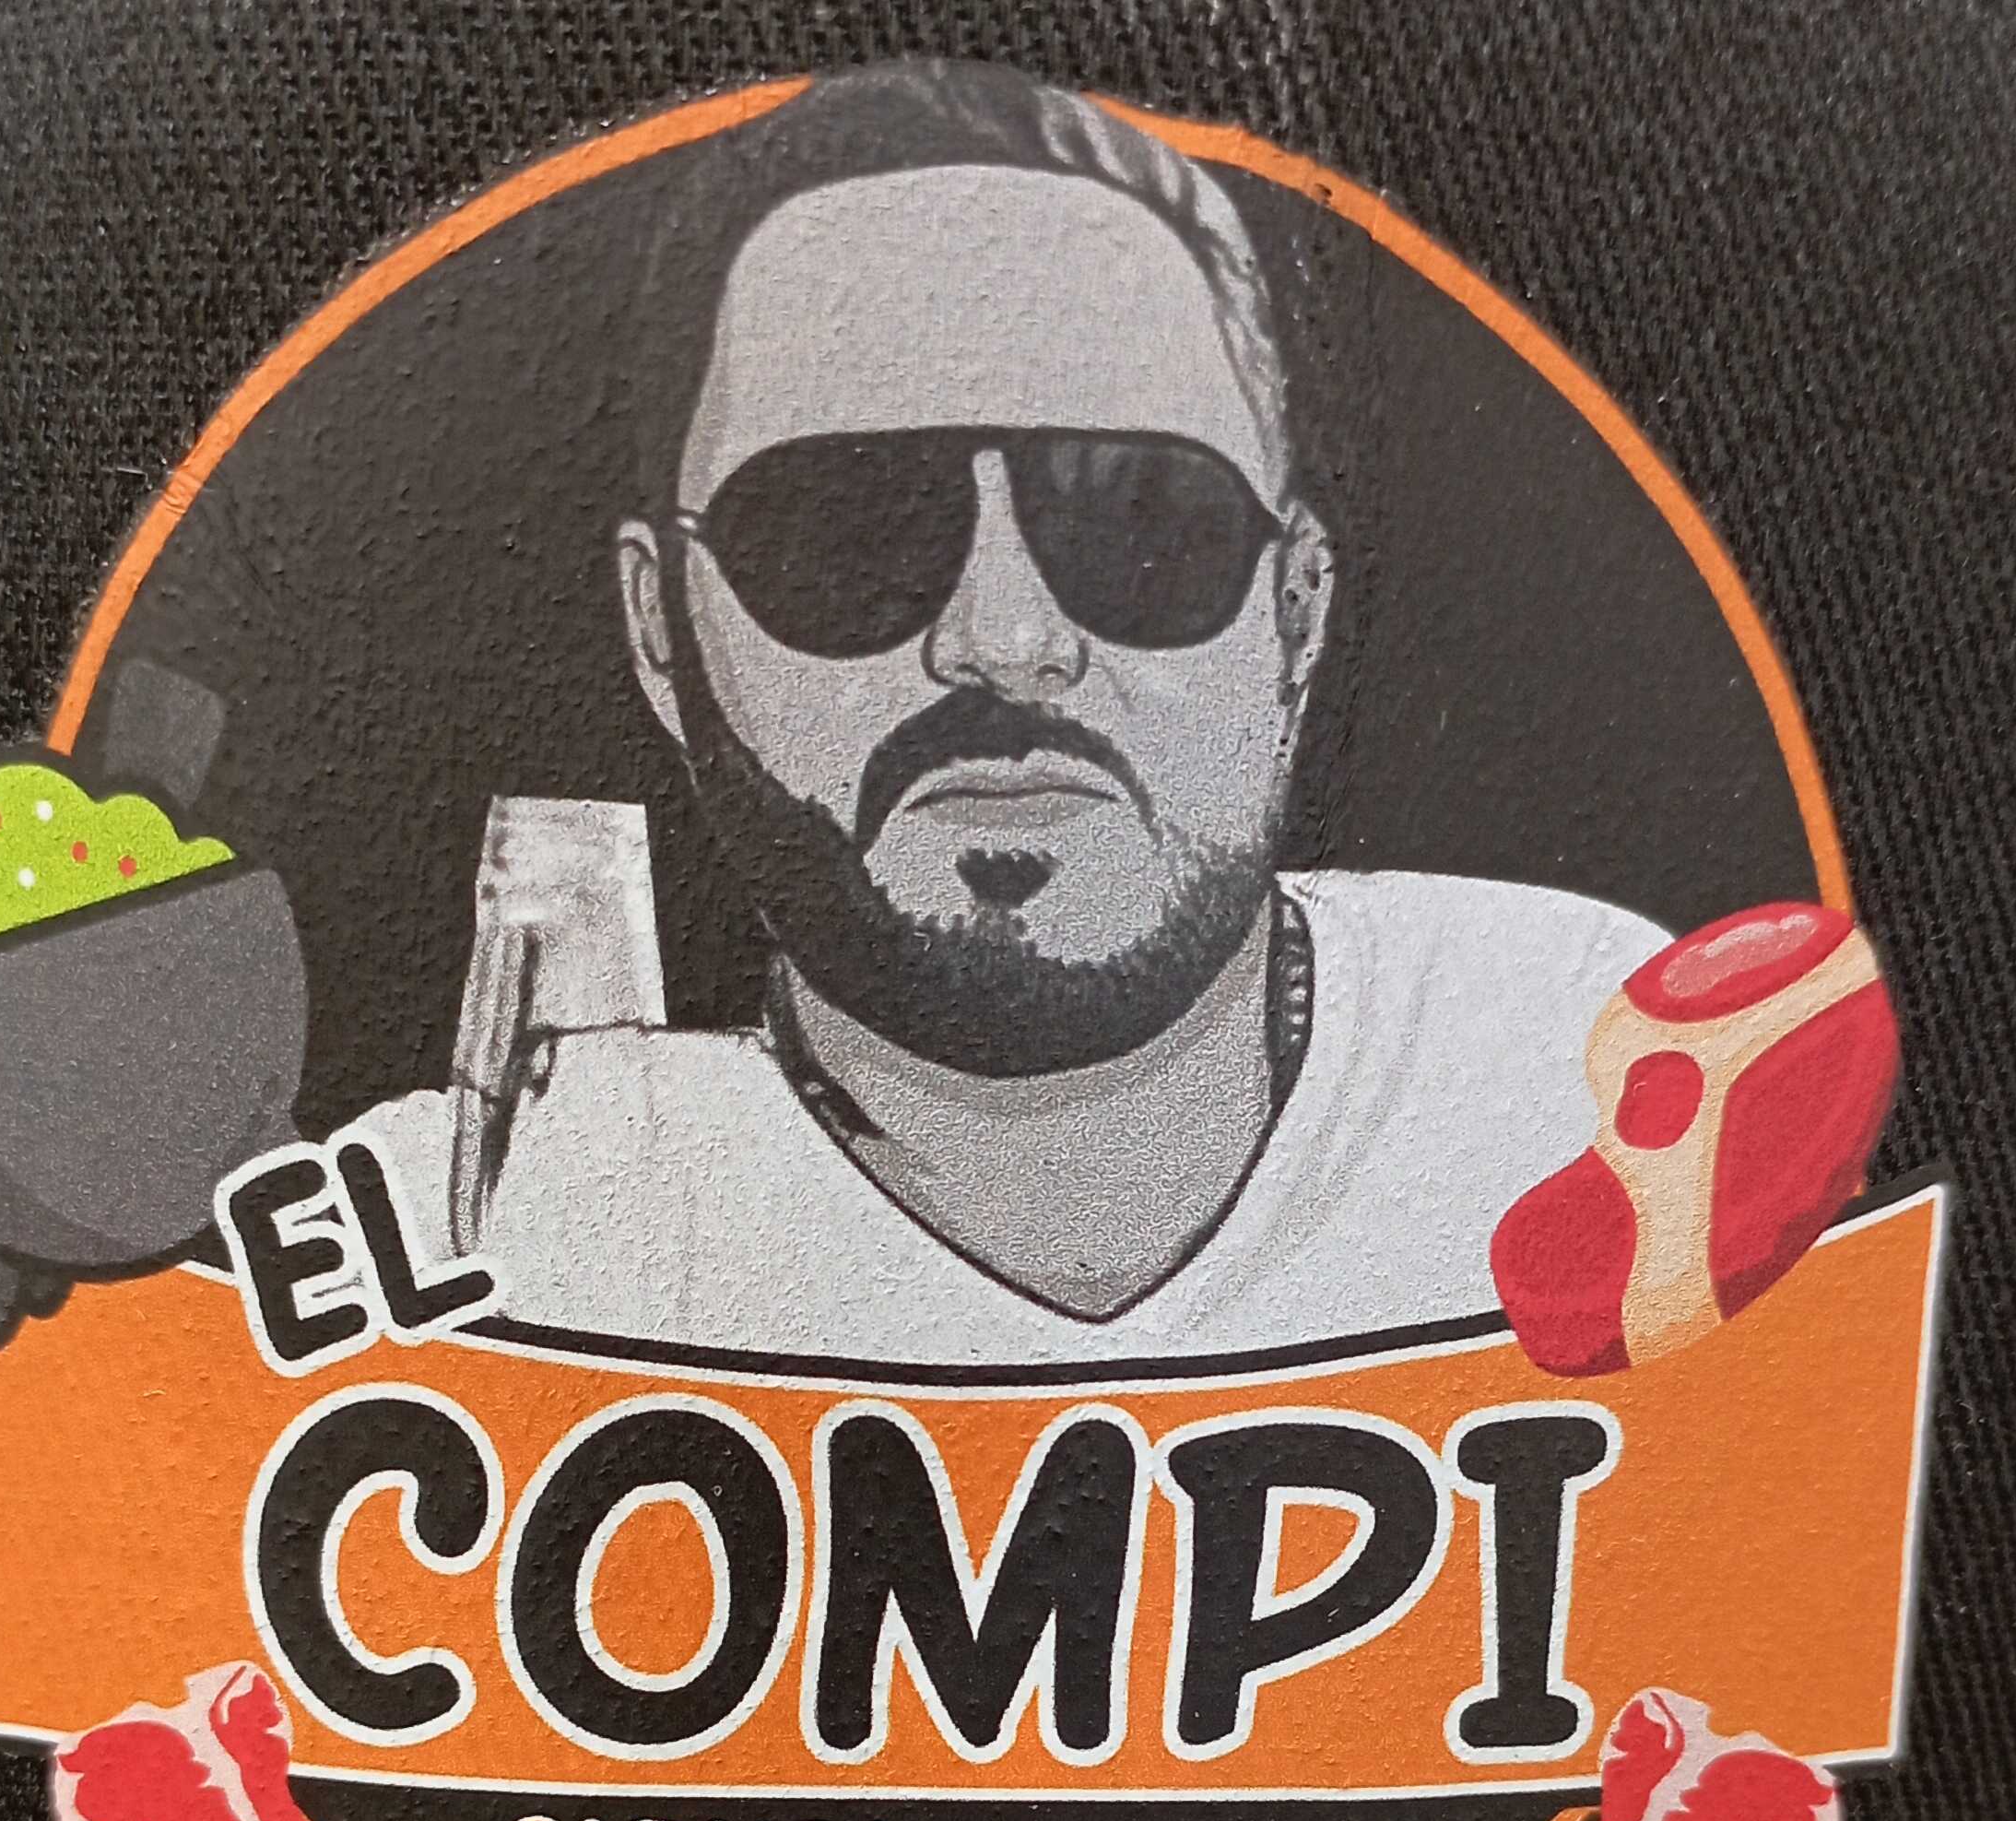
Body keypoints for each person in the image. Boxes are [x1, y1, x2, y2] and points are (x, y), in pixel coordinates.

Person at [358, 62, 1669, 1363]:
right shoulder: (450, 1240)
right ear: (661, 627)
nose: (1005, 642)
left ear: (1297, 613)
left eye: (1138, 522)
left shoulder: (1588, 1072)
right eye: (846, 533)